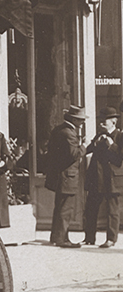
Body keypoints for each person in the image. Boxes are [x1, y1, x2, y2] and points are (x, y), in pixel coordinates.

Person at [44, 104, 86, 248]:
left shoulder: (59, 129)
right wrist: (84, 146)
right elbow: (74, 154)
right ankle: (62, 239)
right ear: (73, 120)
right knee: (66, 209)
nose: (82, 123)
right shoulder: (69, 133)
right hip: (68, 176)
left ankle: (56, 236)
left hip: (60, 175)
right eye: (80, 120)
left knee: (60, 207)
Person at [82, 106, 123, 248]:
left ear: (113, 122)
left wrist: (111, 145)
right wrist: (91, 143)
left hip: (112, 178)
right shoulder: (99, 135)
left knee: (112, 210)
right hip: (96, 178)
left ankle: (111, 239)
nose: (101, 124)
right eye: (100, 121)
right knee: (91, 207)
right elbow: (88, 151)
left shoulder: (120, 136)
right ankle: (89, 238)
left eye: (104, 121)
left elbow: (119, 159)